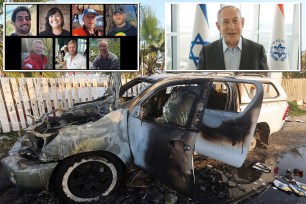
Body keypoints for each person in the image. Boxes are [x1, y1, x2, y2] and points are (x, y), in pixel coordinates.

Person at [198, 5, 269, 70]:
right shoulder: (206, 52)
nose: (231, 27)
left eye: (235, 21)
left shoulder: (257, 51)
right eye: (225, 22)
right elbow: (200, 80)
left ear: (242, 23)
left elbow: (265, 80)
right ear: (218, 26)